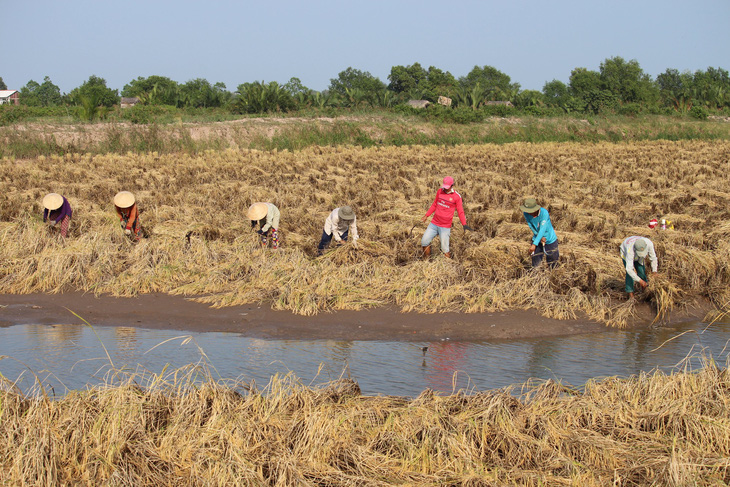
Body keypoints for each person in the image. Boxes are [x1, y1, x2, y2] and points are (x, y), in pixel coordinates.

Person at [421, 176, 467, 259]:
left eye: (447, 188)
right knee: (424, 241)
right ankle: (426, 260)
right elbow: (434, 204)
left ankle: (447, 267)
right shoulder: (440, 191)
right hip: (434, 223)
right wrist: (426, 215)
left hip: (445, 226)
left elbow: (460, 212)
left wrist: (464, 224)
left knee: (445, 249)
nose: (445, 189)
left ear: (452, 185)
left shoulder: (456, 197)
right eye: (444, 187)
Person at [520, 197, 559, 268]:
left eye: (530, 211)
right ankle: (536, 275)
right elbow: (531, 226)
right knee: (536, 263)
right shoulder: (526, 213)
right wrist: (538, 237)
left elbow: (542, 229)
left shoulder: (544, 213)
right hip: (537, 237)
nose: (528, 212)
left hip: (550, 239)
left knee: (553, 263)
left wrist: (534, 244)